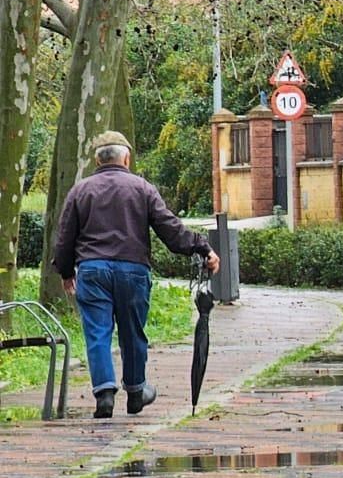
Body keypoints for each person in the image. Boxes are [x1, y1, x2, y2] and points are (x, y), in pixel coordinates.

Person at [52, 131, 220, 419]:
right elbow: (171, 230)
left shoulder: (81, 191)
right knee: (133, 333)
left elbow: (65, 238)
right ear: (126, 158)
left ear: (97, 160)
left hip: (92, 271)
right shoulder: (142, 188)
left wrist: (67, 272)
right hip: (133, 270)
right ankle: (135, 391)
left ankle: (104, 394)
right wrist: (202, 248)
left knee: (97, 333)